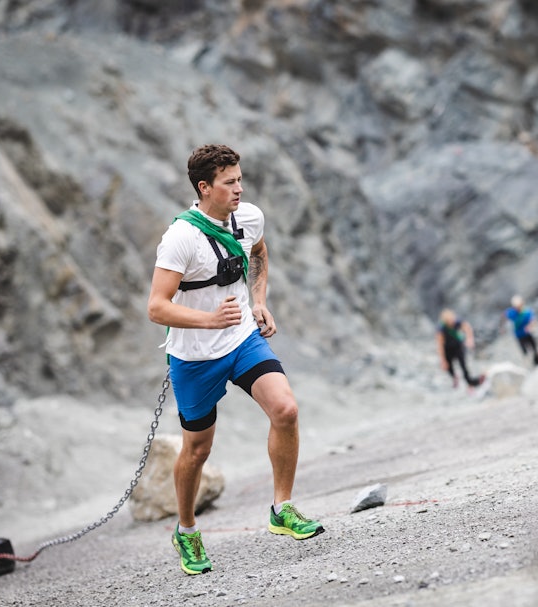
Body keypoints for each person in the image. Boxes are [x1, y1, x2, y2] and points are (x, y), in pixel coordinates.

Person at [147, 144, 323, 576]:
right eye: (230, 183)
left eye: (240, 179)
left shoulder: (249, 217)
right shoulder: (181, 238)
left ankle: (281, 509)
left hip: (243, 338)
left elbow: (259, 253)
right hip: (194, 358)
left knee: (285, 409)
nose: (239, 189)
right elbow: (156, 307)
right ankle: (186, 530)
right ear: (205, 188)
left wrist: (258, 300)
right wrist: (208, 321)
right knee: (197, 449)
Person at [436, 309, 485, 390]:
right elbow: (440, 345)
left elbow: (467, 327)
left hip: (458, 346)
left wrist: (470, 339)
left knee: (463, 365)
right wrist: (443, 360)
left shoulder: (457, 322)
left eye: (452, 319)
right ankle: (454, 377)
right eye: (449, 320)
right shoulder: (441, 328)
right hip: (447, 349)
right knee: (449, 367)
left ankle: (471, 382)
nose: (452, 322)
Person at [503, 295, 538, 363]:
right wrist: (503, 328)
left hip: (527, 333)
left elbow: (533, 321)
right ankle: (528, 361)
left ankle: (537, 358)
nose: (518, 307)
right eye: (516, 306)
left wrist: (530, 326)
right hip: (519, 335)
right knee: (524, 350)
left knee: (534, 345)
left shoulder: (527, 312)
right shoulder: (511, 312)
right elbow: (504, 317)